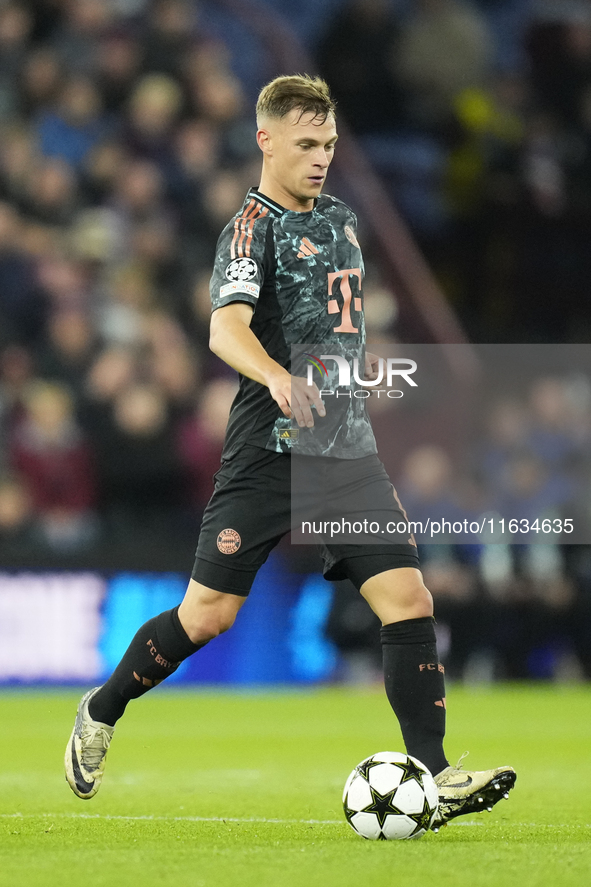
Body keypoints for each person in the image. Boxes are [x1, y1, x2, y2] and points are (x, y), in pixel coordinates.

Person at [65, 75, 515, 829]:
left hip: (346, 456)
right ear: (265, 140)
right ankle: (102, 708)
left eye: (330, 145)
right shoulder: (250, 228)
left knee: (408, 599)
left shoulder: (341, 220)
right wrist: (275, 375)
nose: (320, 159)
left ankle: (435, 778)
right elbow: (224, 329)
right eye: (306, 144)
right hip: (267, 454)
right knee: (207, 617)